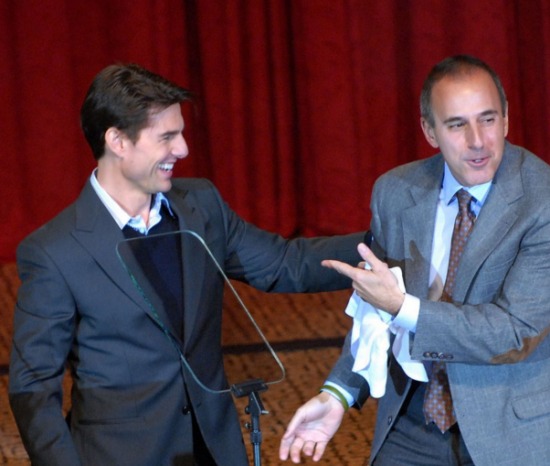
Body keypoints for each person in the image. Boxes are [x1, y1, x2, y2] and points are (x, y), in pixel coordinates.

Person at [8, 63, 367, 466]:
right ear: (118, 141)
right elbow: (33, 389)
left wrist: (385, 245)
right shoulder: (55, 251)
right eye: (167, 137)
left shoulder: (202, 205)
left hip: (214, 448)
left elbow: (285, 263)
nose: (183, 149)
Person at [279, 55, 550, 465]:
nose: (478, 140)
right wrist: (338, 392)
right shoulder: (395, 192)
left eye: (488, 119)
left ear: (507, 119)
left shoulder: (541, 199)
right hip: (412, 422)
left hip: (507, 430)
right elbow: (376, 313)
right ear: (429, 130)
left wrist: (402, 308)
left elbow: (514, 333)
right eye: (457, 125)